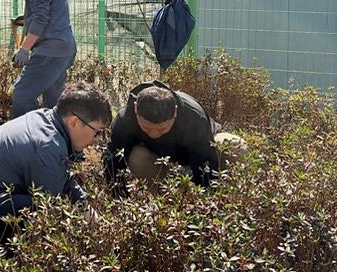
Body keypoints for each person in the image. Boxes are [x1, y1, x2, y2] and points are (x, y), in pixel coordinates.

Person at [0, 83, 111, 240]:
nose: (97, 139)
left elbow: (63, 176)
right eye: (97, 132)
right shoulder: (47, 147)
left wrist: (84, 206)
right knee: (42, 211)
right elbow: (50, 209)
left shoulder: (46, 119)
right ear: (74, 122)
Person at [103, 80, 246, 194]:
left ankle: (234, 197)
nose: (154, 134)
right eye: (146, 128)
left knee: (234, 144)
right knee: (136, 156)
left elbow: (206, 164)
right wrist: (119, 199)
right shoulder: (124, 120)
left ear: (175, 112)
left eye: (162, 128)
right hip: (161, 161)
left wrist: (204, 204)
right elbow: (113, 163)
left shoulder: (193, 116)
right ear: (135, 109)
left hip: (204, 154)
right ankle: (163, 202)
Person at [2, 0, 77, 118]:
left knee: (22, 95)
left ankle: (25, 139)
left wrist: (24, 49)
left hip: (50, 52)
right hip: (62, 49)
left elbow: (41, 19)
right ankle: (60, 141)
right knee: (53, 101)